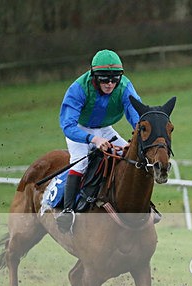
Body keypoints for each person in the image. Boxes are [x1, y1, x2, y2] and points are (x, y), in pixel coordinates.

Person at [56, 49, 142, 233]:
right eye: (104, 79)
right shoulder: (78, 89)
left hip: (105, 128)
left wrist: (136, 138)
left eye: (114, 79)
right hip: (79, 129)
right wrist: (93, 139)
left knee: (131, 157)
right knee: (80, 163)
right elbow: (68, 125)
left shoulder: (125, 86)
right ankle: (68, 211)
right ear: (94, 76)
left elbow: (137, 117)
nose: (110, 84)